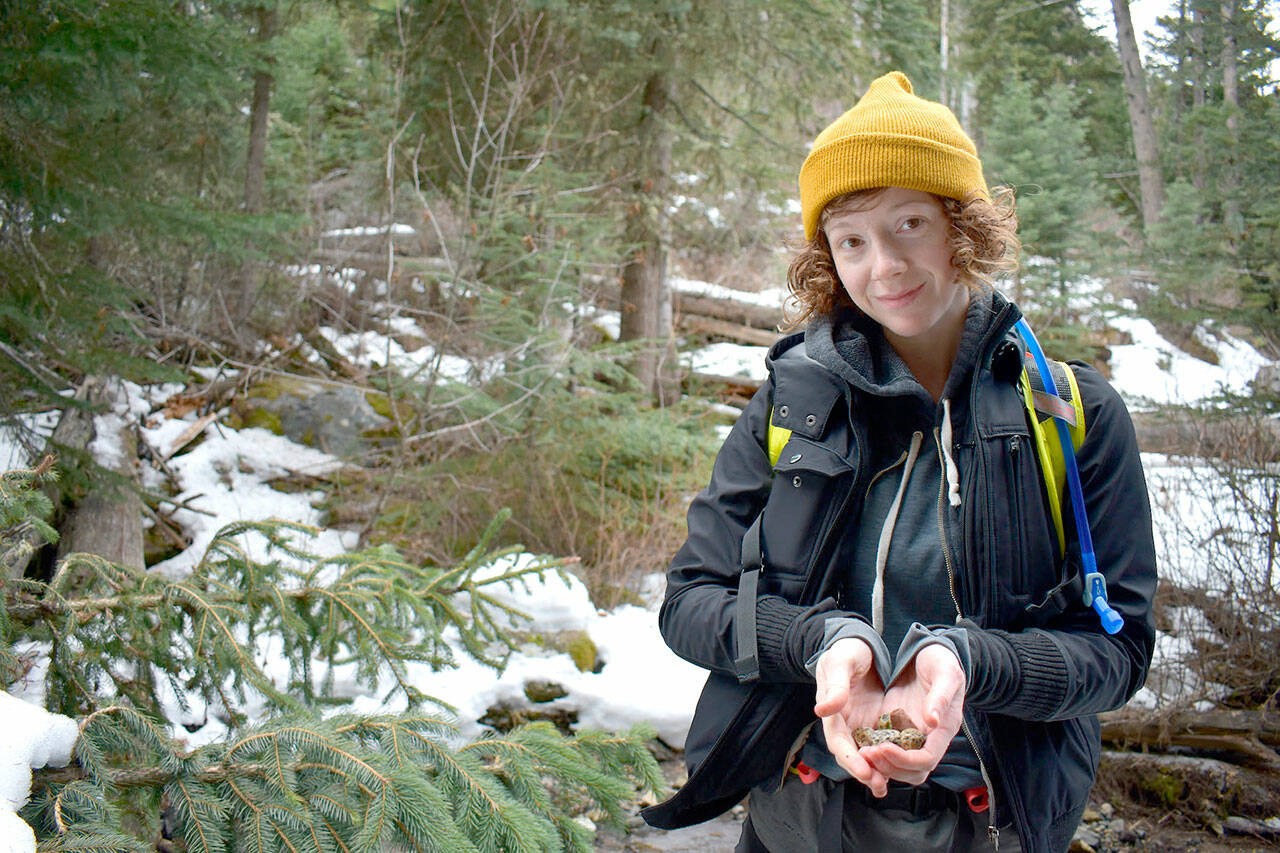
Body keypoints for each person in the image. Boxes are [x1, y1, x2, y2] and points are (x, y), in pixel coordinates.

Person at [640, 71, 1158, 852]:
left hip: (989, 822)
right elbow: (688, 602)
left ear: (963, 226)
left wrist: (969, 661)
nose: (883, 265)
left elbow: (1119, 648)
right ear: (829, 257)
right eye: (851, 239)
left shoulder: (1070, 415)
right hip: (800, 817)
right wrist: (822, 642)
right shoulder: (792, 403)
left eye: (910, 223)